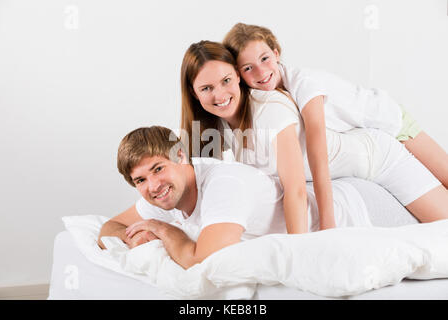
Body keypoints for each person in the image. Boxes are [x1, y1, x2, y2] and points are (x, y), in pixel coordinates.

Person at [179, 40, 448, 235]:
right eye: (206, 88)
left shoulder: (270, 108)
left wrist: (304, 252)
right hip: (349, 174)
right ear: (194, 93)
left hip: (379, 159)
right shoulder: (216, 128)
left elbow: (295, 190)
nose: (219, 94)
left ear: (237, 76)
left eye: (226, 80)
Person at [97, 126, 373, 269]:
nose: (153, 186)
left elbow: (202, 262)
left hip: (362, 209)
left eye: (158, 169)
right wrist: (137, 236)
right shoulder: (162, 191)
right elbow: (108, 230)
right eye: (140, 180)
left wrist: (163, 229)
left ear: (180, 156)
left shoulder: (223, 184)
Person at [222, 23, 448, 191]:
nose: (261, 72)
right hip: (371, 137)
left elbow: (316, 141)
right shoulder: (266, 97)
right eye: (248, 68)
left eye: (264, 59)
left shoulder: (304, 84)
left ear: (276, 53)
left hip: (392, 122)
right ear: (238, 74)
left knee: (444, 177)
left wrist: (327, 217)